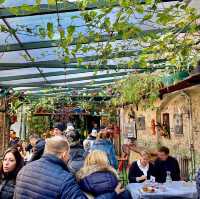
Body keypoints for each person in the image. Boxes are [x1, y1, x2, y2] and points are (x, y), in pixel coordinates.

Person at [14, 136, 118, 199]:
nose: (69, 157)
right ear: (64, 154)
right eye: (68, 154)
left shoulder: (25, 170)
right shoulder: (65, 179)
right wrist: (112, 194)